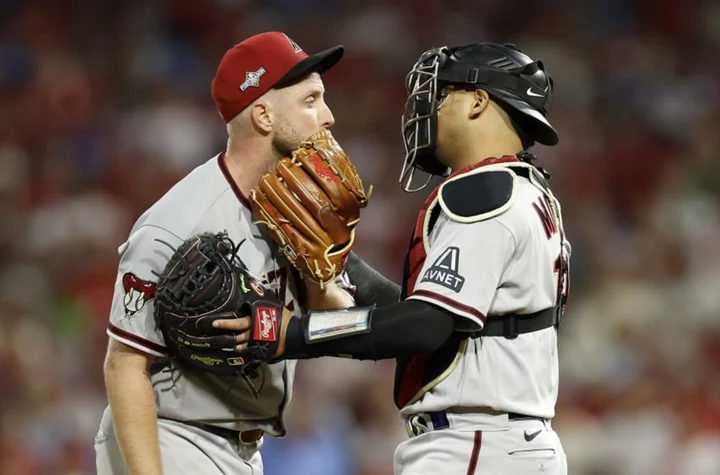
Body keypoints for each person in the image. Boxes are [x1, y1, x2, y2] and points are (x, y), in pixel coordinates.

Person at [220, 41, 571, 474]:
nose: (427, 109)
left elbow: (424, 326)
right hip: (501, 442)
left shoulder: (484, 192)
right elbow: (427, 315)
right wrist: (342, 264)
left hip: (477, 445)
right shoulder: (524, 189)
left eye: (442, 95)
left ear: (479, 102)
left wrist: (292, 334)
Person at [94, 31, 357, 475]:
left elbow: (336, 324)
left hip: (241, 448)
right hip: (174, 436)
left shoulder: (296, 204)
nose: (328, 117)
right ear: (263, 116)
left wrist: (320, 276)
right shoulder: (175, 224)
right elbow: (123, 365)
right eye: (311, 100)